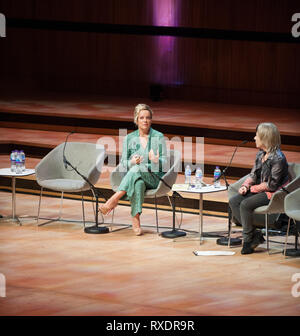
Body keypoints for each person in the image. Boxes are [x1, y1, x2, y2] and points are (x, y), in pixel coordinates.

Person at [99, 104, 167, 236]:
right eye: (142, 117)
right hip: (138, 177)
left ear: (151, 120)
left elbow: (165, 165)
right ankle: (136, 220)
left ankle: (114, 199)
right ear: (136, 120)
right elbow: (123, 163)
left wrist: (156, 160)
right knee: (138, 182)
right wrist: (131, 162)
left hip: (154, 178)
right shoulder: (129, 138)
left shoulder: (158, 136)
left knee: (138, 168)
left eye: (148, 118)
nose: (145, 120)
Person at [229, 122, 289, 254]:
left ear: (265, 137)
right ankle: (253, 234)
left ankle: (248, 240)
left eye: (257, 135)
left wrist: (253, 189)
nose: (254, 138)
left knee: (245, 204)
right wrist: (245, 186)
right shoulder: (260, 154)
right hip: (262, 190)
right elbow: (254, 174)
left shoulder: (278, 158)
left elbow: (272, 185)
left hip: (275, 194)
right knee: (234, 201)